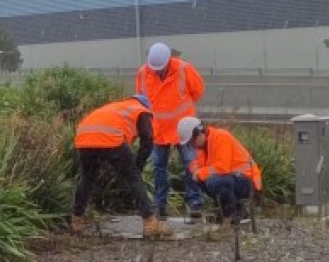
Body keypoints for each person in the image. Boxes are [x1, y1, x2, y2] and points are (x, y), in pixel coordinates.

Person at [71, 92, 167, 237]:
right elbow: (147, 140)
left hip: (84, 138)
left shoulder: (116, 107)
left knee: (87, 177)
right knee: (133, 178)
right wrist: (138, 166)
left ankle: (77, 220)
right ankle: (150, 222)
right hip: (110, 138)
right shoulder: (141, 110)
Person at [135, 42, 207, 222]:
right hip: (158, 130)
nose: (158, 71)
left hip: (185, 128)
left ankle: (195, 204)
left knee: (191, 164)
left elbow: (197, 91)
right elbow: (142, 100)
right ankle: (160, 207)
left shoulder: (184, 69)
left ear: (170, 60)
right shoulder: (143, 73)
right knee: (159, 168)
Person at [177, 116, 263, 222]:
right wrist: (195, 170)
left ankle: (235, 211)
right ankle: (226, 210)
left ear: (198, 135)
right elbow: (197, 165)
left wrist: (200, 173)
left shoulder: (221, 137)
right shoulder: (203, 147)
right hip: (233, 180)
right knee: (203, 180)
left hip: (248, 181)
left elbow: (222, 167)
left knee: (213, 181)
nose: (192, 146)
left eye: (191, 142)